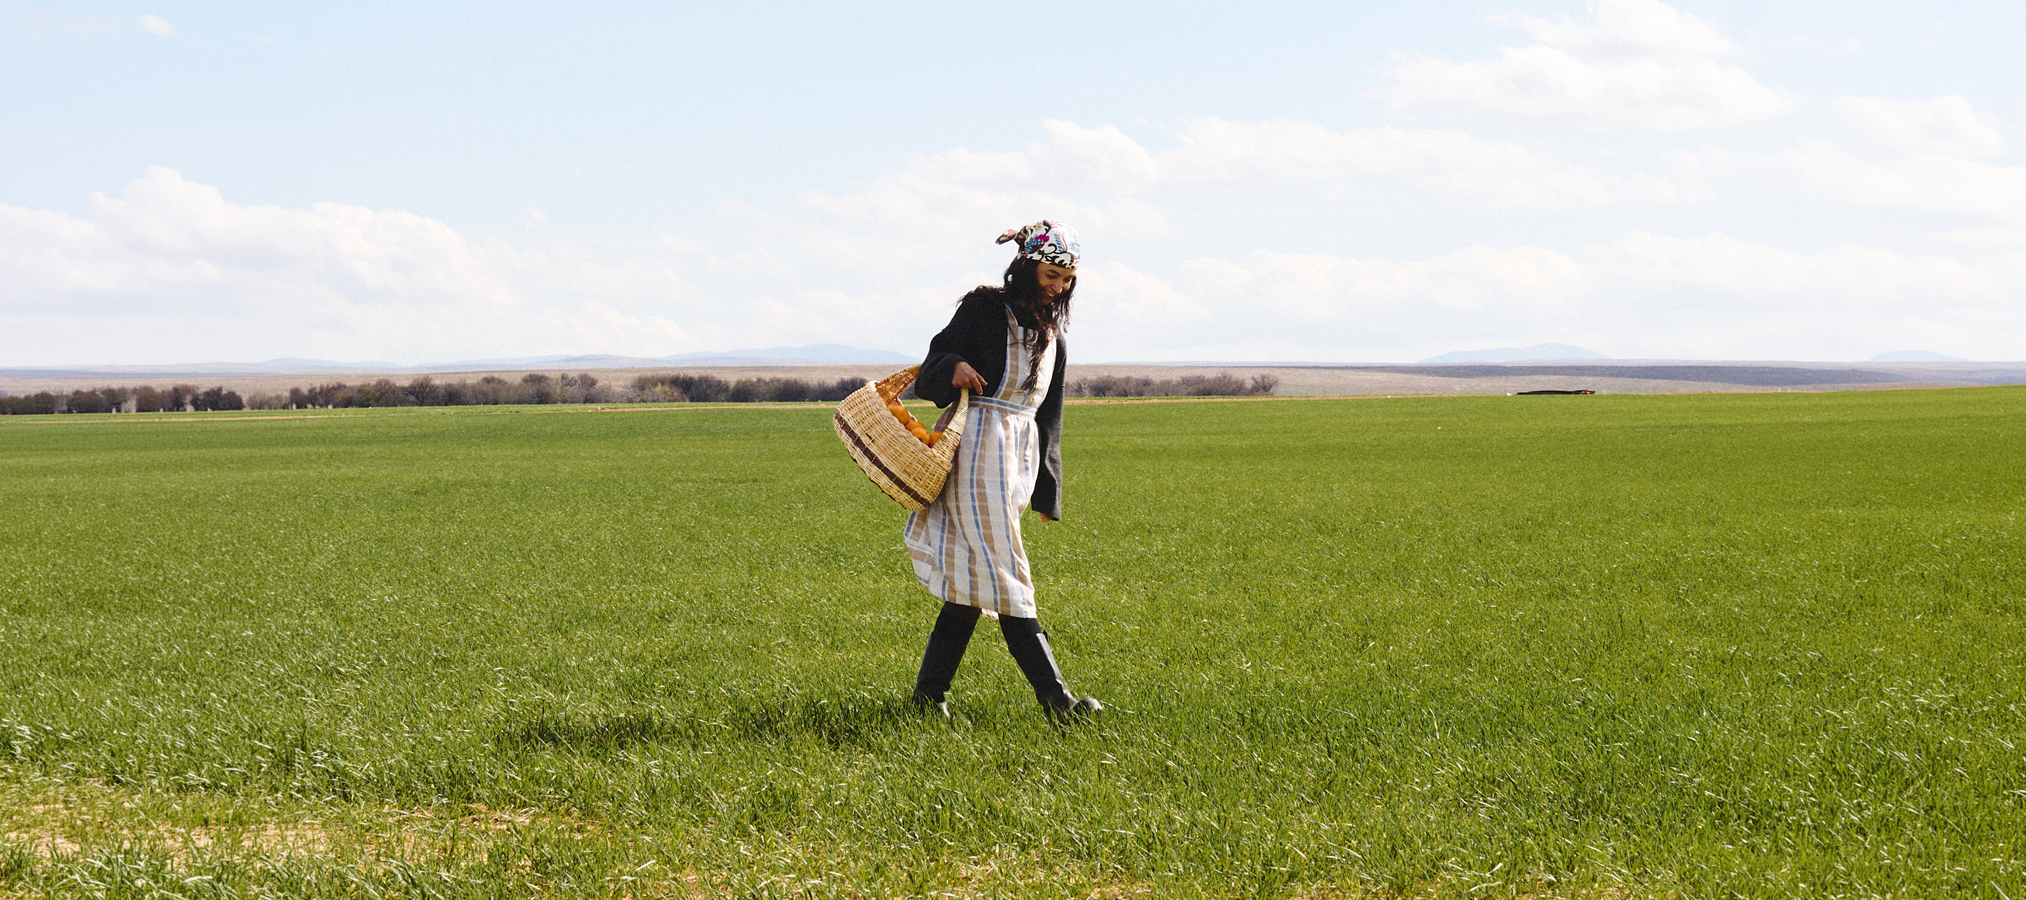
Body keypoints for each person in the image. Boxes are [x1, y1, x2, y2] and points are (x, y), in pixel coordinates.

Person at [904, 220, 1104, 722]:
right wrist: (952, 368)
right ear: (1027, 266)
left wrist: (1045, 492)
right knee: (1005, 571)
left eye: (1067, 278)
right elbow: (931, 363)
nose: (1059, 286)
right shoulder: (983, 308)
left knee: (972, 580)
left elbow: (1049, 415)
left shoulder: (1053, 336)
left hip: (1016, 454)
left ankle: (929, 697)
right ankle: (1058, 703)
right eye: (1051, 274)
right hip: (972, 446)